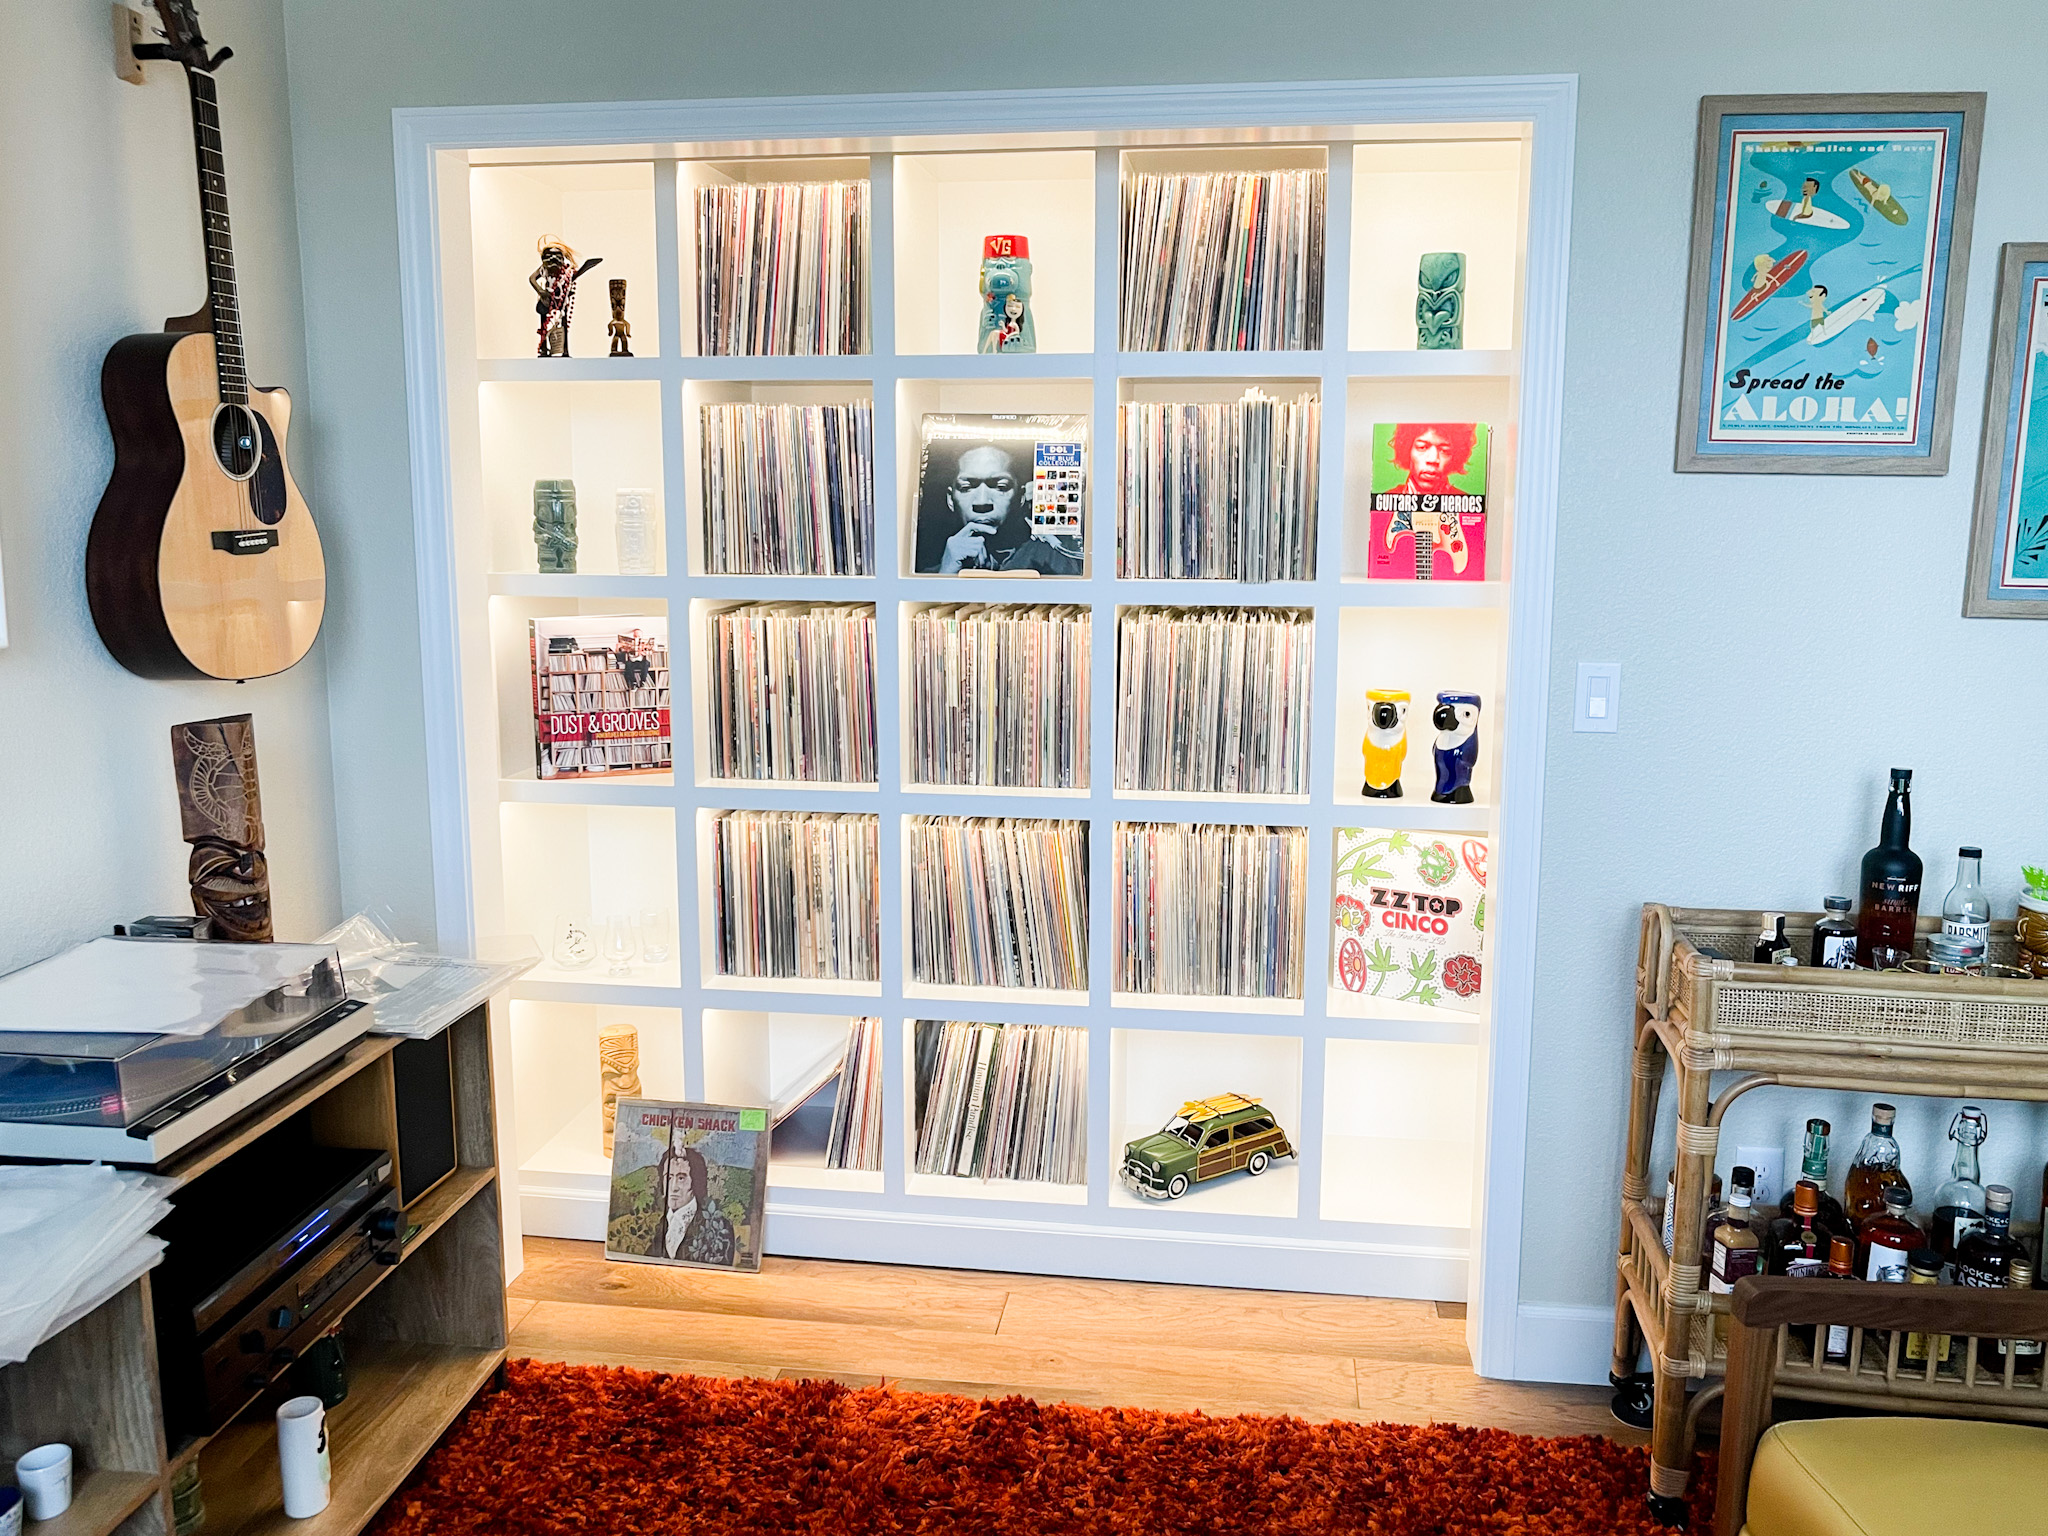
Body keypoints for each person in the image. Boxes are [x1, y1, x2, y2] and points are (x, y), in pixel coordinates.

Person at [922, 442, 1081, 574]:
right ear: (950, 499)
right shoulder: (927, 576)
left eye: (1000, 486)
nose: (982, 502)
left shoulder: (1057, 560)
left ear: (1022, 496)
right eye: (966, 487)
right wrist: (947, 572)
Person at [656, 1124, 736, 1266]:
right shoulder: (661, 1224)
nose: (673, 1188)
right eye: (668, 1178)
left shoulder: (718, 1227)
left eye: (681, 1178)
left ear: (696, 1182)